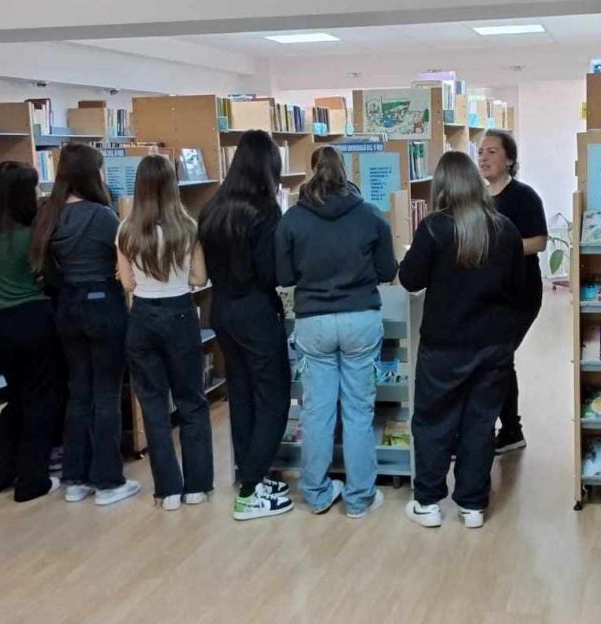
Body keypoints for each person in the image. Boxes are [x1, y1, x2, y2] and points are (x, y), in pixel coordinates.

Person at [399, 151, 524, 529]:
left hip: (444, 344)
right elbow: (517, 288)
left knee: (433, 422)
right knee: (480, 424)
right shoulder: (505, 229)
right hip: (493, 345)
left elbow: (410, 279)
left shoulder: (434, 228)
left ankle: (428, 502)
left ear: (441, 186)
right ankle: (472, 506)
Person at [276, 146, 398, 517]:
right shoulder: (370, 215)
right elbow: (388, 270)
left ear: (311, 172)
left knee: (317, 411)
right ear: (345, 172)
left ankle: (317, 494)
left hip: (313, 321)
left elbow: (284, 276)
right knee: (359, 411)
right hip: (360, 317)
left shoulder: (292, 219)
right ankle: (360, 498)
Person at [29, 143, 140, 506]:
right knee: (107, 393)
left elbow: (48, 272)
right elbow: (124, 262)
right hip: (103, 305)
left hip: (68, 307)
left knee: (79, 392)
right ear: (92, 174)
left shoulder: (49, 214)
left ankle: (75, 478)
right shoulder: (102, 216)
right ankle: (108, 481)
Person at [198, 130, 292, 520]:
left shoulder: (212, 208)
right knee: (273, 395)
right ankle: (252, 489)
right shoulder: (265, 211)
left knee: (242, 394)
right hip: (256, 310)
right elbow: (270, 273)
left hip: (222, 309)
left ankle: (248, 475)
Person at [117, 155, 214, 511]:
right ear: (173, 186)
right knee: (191, 401)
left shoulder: (126, 230)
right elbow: (199, 277)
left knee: (154, 405)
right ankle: (197, 486)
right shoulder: (188, 227)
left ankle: (168, 490)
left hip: (142, 317)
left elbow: (127, 283)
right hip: (180, 314)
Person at [0, 161, 64, 502]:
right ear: (25, 194)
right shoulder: (30, 234)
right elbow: (50, 277)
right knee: (42, 400)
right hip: (33, 319)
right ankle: (32, 480)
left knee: (17, 398)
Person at [477, 129, 547, 455]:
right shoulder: (479, 199)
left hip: (520, 294)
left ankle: (510, 430)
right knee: (495, 359)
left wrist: (500, 247)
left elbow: (539, 242)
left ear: (509, 160)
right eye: (481, 152)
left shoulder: (524, 196)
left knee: (499, 357)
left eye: (492, 152)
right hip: (488, 294)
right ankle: (498, 428)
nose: (484, 158)